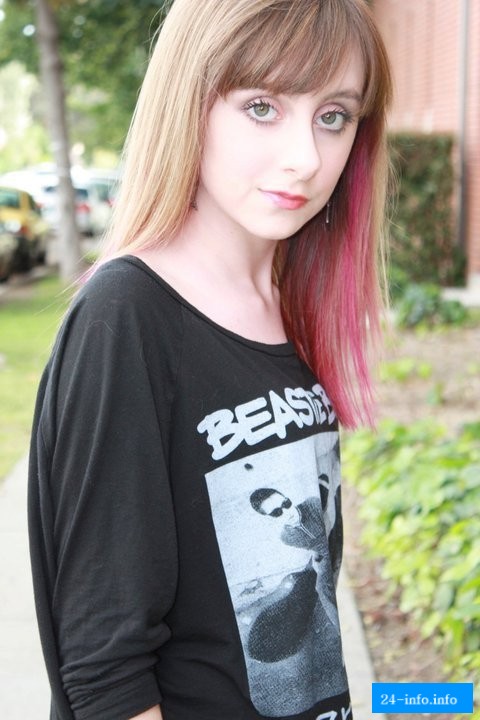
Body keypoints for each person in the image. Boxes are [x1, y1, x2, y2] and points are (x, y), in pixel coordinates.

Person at [28, 0, 392, 718]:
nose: (306, 156)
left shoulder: (287, 305)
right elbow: (106, 671)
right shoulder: (127, 317)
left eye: (333, 116)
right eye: (262, 107)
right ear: (188, 103)